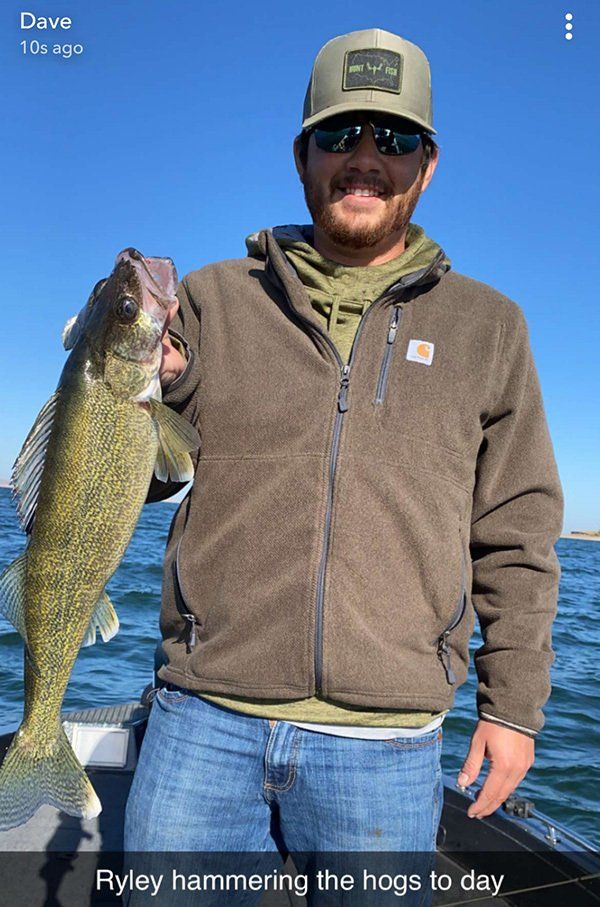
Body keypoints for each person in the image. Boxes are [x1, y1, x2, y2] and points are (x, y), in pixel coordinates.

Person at [124, 27, 563, 905]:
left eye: (394, 138)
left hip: (387, 748)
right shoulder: (212, 299)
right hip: (203, 716)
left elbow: (515, 531)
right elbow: (149, 478)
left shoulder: (492, 327)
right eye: (340, 134)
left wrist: (512, 707)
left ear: (427, 164)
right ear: (302, 154)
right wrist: (141, 385)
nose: (366, 158)